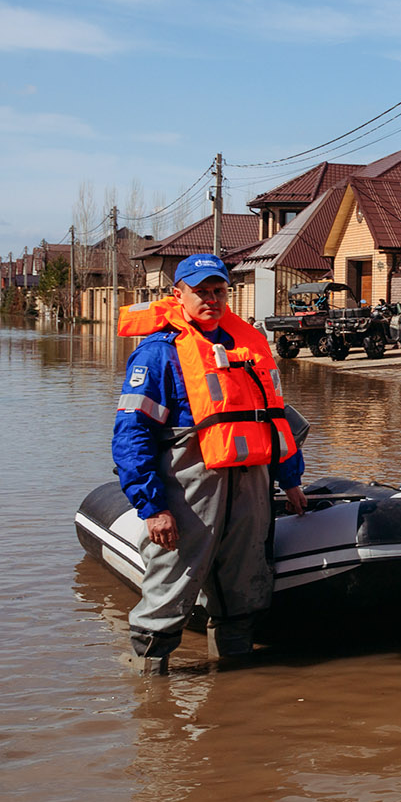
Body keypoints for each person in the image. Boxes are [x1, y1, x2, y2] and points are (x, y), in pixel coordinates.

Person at [113, 254, 307, 670]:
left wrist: (291, 479)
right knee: (171, 584)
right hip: (190, 488)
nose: (211, 299)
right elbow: (132, 436)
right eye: (201, 292)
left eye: (219, 291)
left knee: (243, 589)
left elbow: (276, 419)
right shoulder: (158, 355)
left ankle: (232, 684)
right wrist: (153, 508)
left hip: (251, 486)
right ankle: (150, 689)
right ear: (177, 294)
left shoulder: (248, 346)